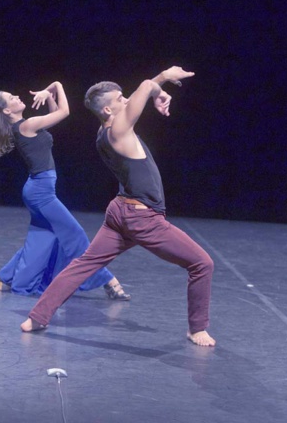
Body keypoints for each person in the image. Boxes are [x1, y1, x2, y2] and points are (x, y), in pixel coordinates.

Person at [21, 67, 216, 347]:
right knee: (202, 263)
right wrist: (162, 80)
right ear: (108, 110)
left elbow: (141, 92)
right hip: (143, 219)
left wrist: (156, 92)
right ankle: (197, 329)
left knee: (84, 264)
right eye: (120, 98)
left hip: (121, 212)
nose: (126, 100)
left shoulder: (104, 132)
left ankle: (36, 318)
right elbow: (145, 86)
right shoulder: (120, 130)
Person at [0, 81, 129, 299]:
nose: (17, 97)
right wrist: (56, 85)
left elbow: (55, 114)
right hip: (41, 193)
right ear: (7, 111)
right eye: (11, 98)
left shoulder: (27, 125)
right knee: (75, 234)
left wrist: (49, 95)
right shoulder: (28, 125)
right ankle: (108, 281)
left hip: (38, 190)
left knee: (43, 237)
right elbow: (64, 112)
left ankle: (6, 275)